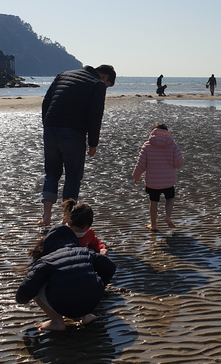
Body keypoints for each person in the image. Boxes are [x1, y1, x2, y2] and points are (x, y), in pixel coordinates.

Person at [40, 64, 116, 226]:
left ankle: (46, 216)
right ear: (105, 78)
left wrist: (47, 125)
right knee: (73, 175)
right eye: (108, 86)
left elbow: (46, 102)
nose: (106, 88)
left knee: (51, 172)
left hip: (50, 129)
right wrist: (93, 143)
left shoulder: (63, 74)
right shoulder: (98, 84)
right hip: (73, 132)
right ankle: (66, 219)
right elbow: (95, 116)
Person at [16, 212, 116, 331]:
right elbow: (110, 266)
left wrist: (22, 300)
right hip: (93, 301)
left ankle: (57, 322)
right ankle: (86, 315)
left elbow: (25, 290)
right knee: (83, 276)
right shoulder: (84, 252)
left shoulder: (45, 261)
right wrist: (100, 284)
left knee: (36, 286)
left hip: (63, 305)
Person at [133, 123, 184, 231]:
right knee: (170, 198)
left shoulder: (147, 146)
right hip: (168, 180)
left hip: (153, 181)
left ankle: (154, 225)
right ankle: (168, 216)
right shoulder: (173, 146)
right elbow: (179, 163)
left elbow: (141, 164)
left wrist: (136, 176)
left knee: (154, 202)